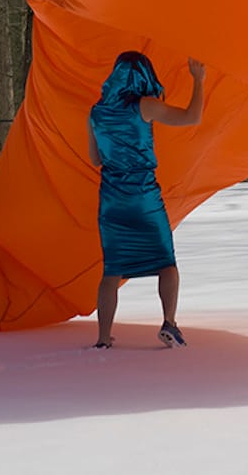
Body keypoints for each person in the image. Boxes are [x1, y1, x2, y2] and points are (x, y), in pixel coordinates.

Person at [88, 50, 205, 349]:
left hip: (112, 200)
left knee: (112, 269)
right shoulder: (145, 106)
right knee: (166, 262)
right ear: (144, 76)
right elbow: (192, 118)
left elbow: (95, 158)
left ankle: (103, 338)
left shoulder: (97, 112)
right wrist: (198, 80)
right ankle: (169, 323)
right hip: (143, 196)